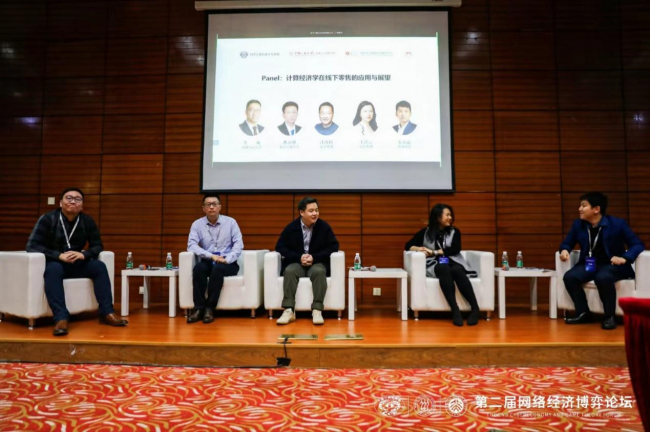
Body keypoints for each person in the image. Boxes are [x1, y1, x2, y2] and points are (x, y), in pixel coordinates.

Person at [26, 188, 128, 336]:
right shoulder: (48, 219)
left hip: (77, 263)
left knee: (99, 266)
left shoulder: (87, 221)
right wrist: (58, 255)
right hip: (55, 262)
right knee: (53, 270)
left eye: (77, 199)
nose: (73, 201)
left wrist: (84, 254)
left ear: (82, 205)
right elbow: (32, 245)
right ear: (61, 203)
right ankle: (61, 318)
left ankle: (107, 313)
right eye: (69, 198)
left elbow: (98, 245)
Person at [560, 192, 644, 330]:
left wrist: (624, 258)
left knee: (603, 277)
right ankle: (583, 313)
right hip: (591, 264)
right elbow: (567, 242)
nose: (579, 209)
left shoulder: (617, 224)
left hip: (613, 265)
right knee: (570, 277)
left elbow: (637, 244)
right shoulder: (578, 225)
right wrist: (564, 250)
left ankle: (609, 317)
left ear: (596, 209)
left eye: (583, 206)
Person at [405, 203, 480, 327]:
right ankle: (455, 309)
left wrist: (433, 252)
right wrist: (419, 249)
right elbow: (408, 245)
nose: (450, 218)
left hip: (453, 260)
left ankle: (475, 308)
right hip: (436, 263)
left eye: (451, 215)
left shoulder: (455, 231)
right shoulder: (426, 232)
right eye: (447, 215)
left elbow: (455, 249)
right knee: (444, 267)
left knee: (456, 270)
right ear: (437, 217)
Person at [275, 197, 339, 325]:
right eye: (311, 211)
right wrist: (299, 257)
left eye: (316, 210)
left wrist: (314, 257)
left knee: (319, 271)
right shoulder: (292, 228)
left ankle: (317, 310)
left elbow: (334, 246)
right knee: (289, 271)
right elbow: (280, 247)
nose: (315, 213)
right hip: (297, 263)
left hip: (316, 262)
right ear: (301, 212)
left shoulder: (323, 227)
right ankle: (289, 310)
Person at [186, 194, 244, 324]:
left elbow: (238, 245)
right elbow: (191, 245)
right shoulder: (197, 224)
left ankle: (210, 308)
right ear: (203, 208)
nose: (211, 207)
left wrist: (227, 259)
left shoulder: (231, 222)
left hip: (228, 263)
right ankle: (198, 308)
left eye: (214, 204)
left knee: (218, 269)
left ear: (220, 207)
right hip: (209, 260)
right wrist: (210, 255)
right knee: (198, 269)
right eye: (208, 204)